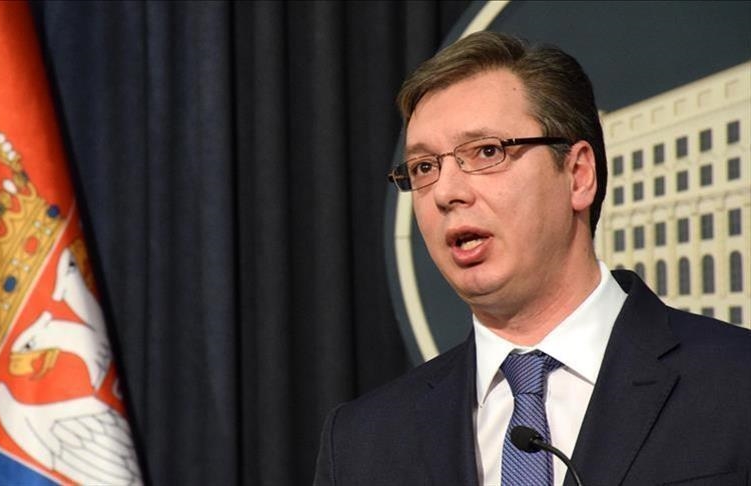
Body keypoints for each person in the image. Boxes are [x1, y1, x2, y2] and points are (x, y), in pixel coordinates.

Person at [313, 31, 751, 485]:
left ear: (578, 175)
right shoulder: (363, 443)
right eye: (425, 167)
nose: (445, 192)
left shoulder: (736, 384)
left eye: (486, 152)